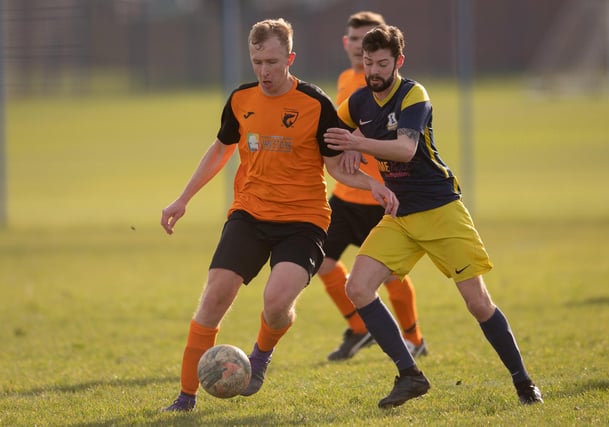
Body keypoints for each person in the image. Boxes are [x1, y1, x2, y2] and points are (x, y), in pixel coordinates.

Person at [160, 18, 398, 412]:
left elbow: (336, 165)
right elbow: (220, 150)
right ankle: (185, 397)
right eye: (257, 62)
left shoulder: (315, 103)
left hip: (303, 222)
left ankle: (260, 356)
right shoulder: (241, 100)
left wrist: (371, 183)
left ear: (289, 58)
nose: (264, 71)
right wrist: (182, 199)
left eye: (272, 61)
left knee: (276, 303)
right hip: (249, 215)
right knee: (215, 295)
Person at [324, 24, 543, 408]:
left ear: (398, 62)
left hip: (441, 210)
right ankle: (410, 375)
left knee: (477, 303)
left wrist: (358, 143)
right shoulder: (357, 103)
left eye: (382, 63)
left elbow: (406, 149)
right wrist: (364, 177)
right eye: (367, 62)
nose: (373, 70)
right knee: (357, 288)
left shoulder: (414, 94)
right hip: (400, 214)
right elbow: (331, 151)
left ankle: (523, 381)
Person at [319, 11, 426, 361]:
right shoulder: (345, 78)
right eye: (356, 39)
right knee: (321, 262)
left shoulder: (386, 84)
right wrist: (344, 142)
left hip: (380, 194)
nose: (360, 45)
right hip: (345, 195)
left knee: (391, 277)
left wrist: (356, 139)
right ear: (348, 43)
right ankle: (361, 329)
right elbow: (343, 121)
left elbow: (382, 119)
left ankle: (414, 337)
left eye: (369, 39)